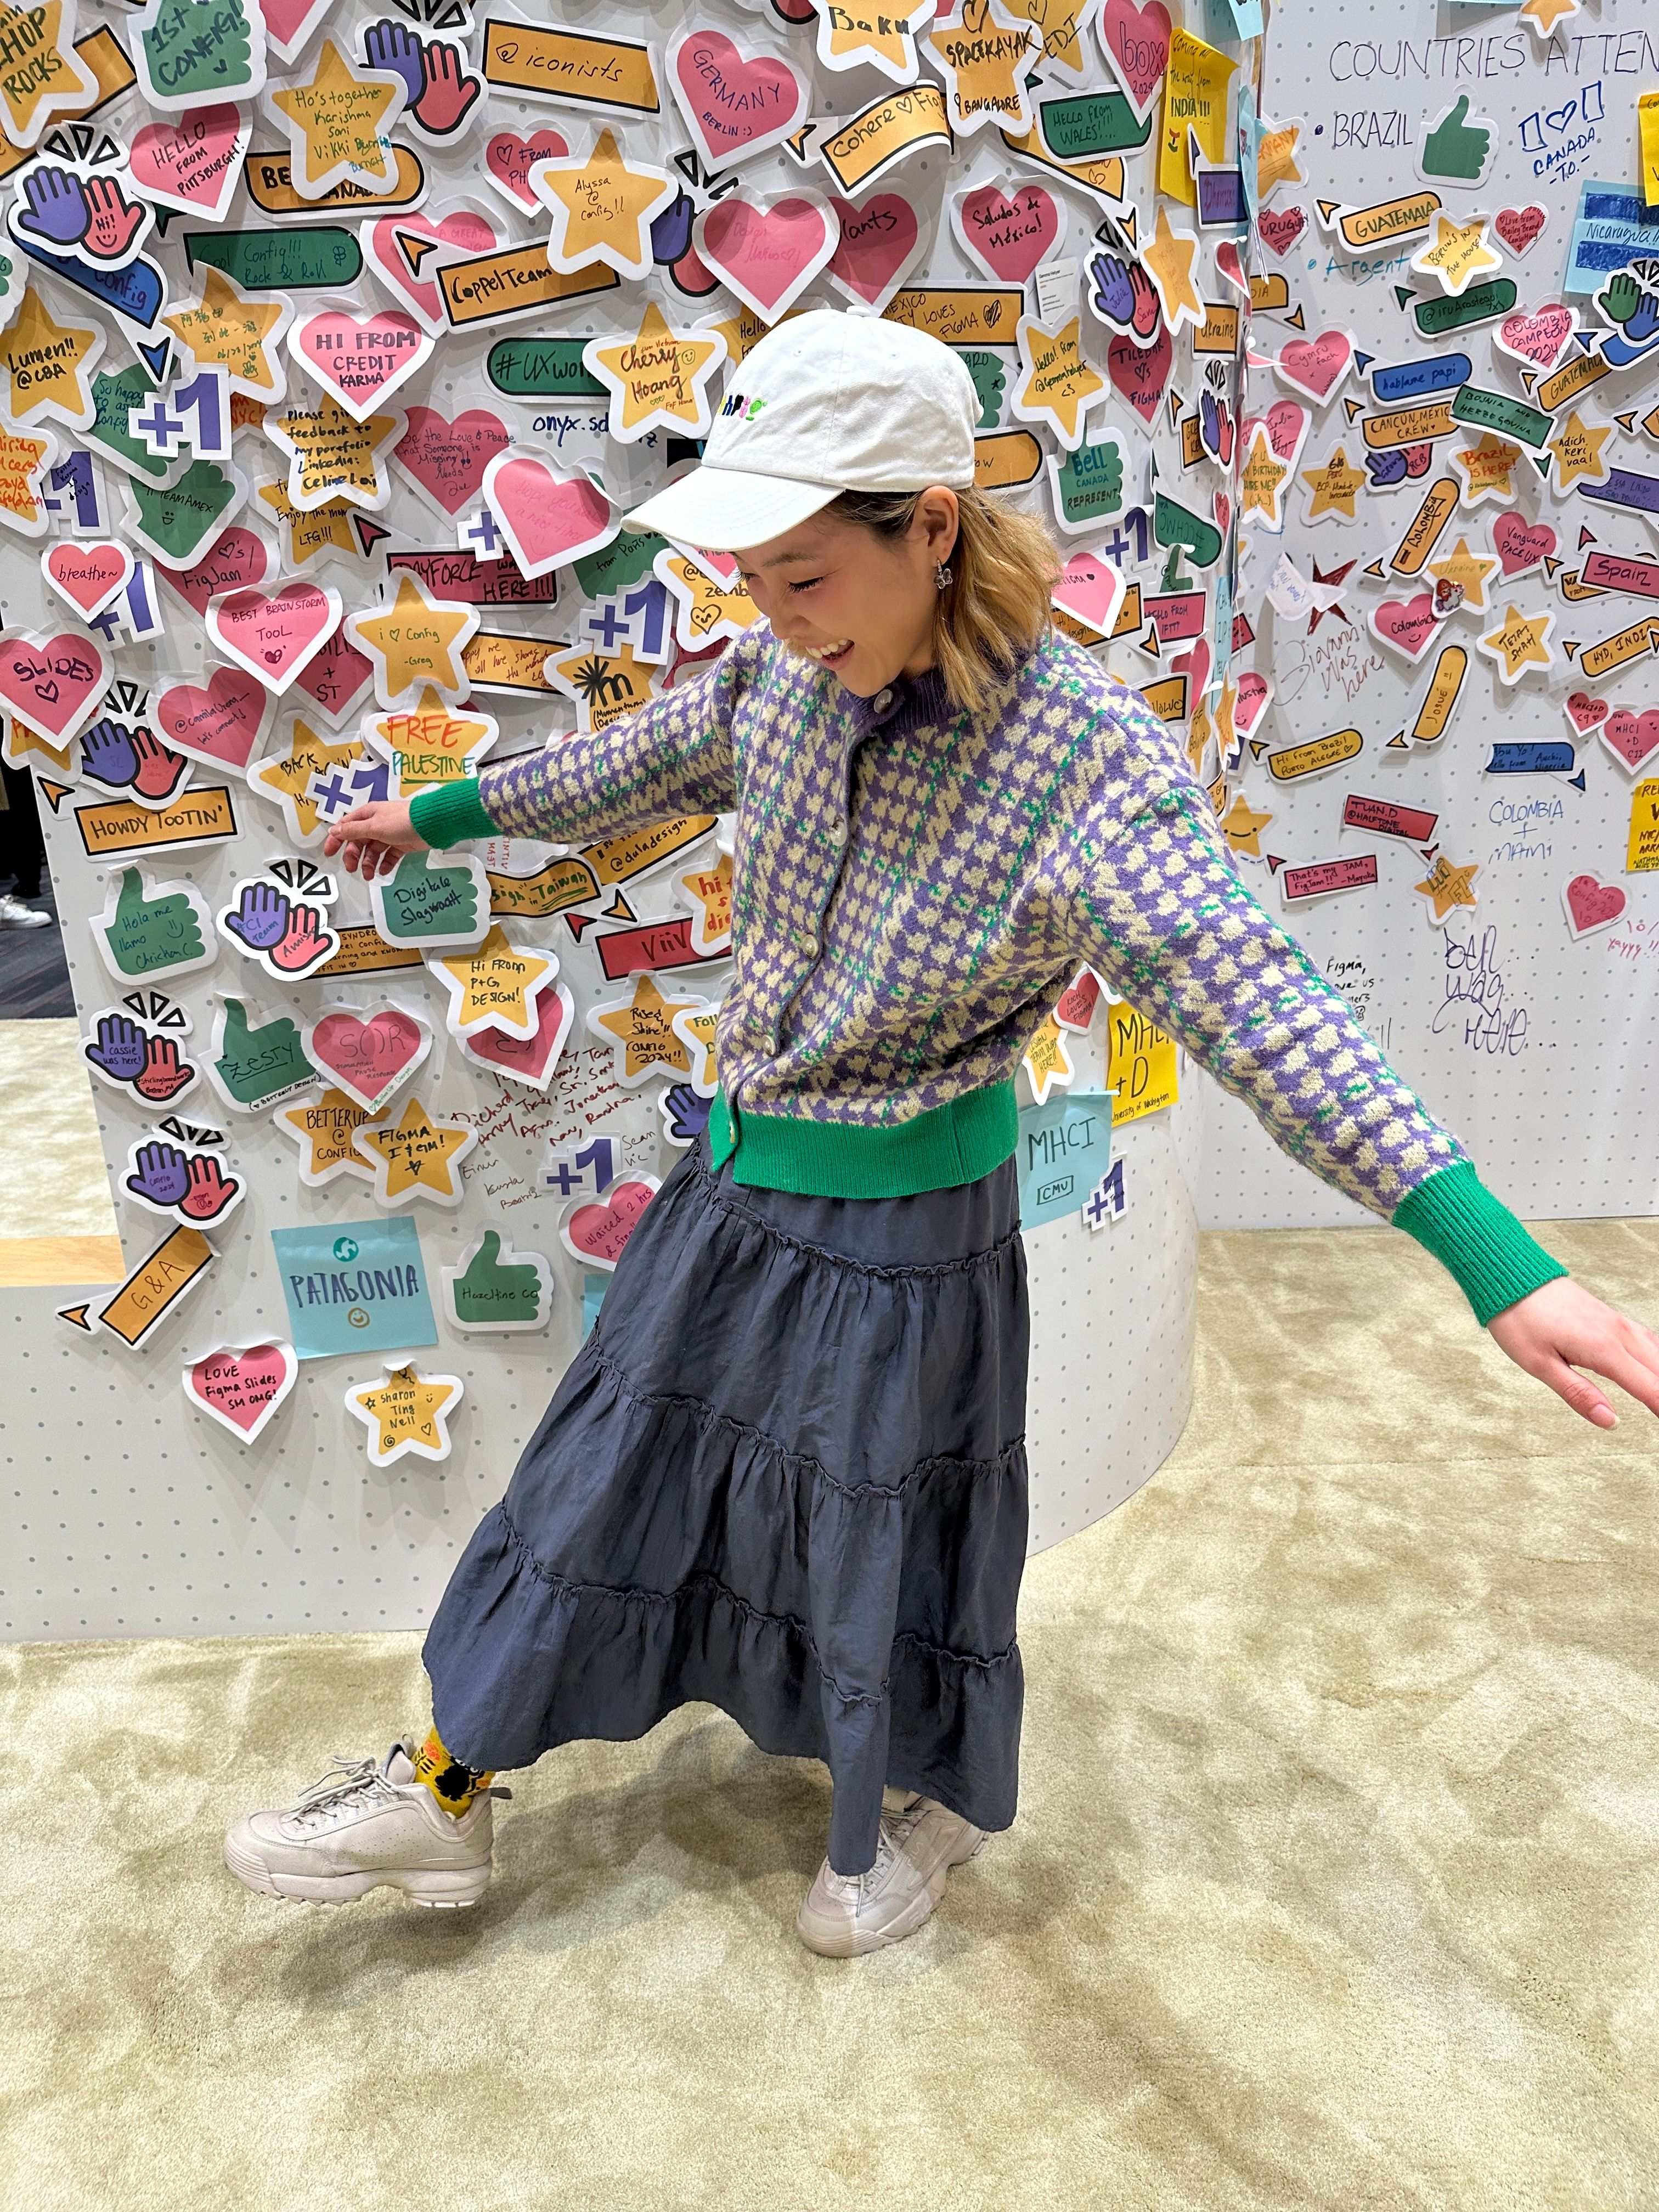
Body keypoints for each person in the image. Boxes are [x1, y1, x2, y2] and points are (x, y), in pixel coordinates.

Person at [224, 311, 1659, 1957]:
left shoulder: (1084, 764)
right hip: (735, 1194)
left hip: (910, 1251)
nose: (774, 619)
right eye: (751, 580)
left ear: (934, 523)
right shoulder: (776, 672)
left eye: (808, 576)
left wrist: (1497, 1262)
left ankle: (914, 1817)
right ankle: (444, 1790)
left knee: (877, 1542)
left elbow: (1261, 1000)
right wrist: (439, 810)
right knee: (588, 1484)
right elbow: (635, 759)